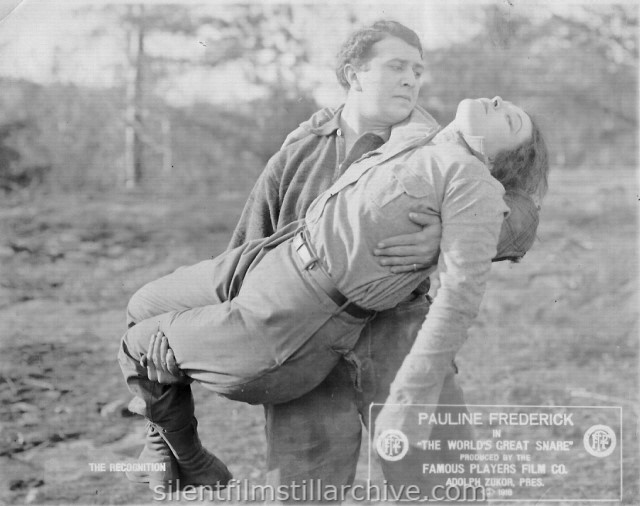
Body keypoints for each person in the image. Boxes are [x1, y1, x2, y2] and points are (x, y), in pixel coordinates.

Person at [121, 21, 546, 501]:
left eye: (417, 71)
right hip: (302, 340)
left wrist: (444, 238)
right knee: (303, 492)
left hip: (397, 332)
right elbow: (248, 251)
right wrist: (199, 338)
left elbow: (523, 209)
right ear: (354, 74)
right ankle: (163, 442)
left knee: (445, 485)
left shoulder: (436, 140)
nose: (411, 80)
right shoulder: (296, 154)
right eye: (396, 67)